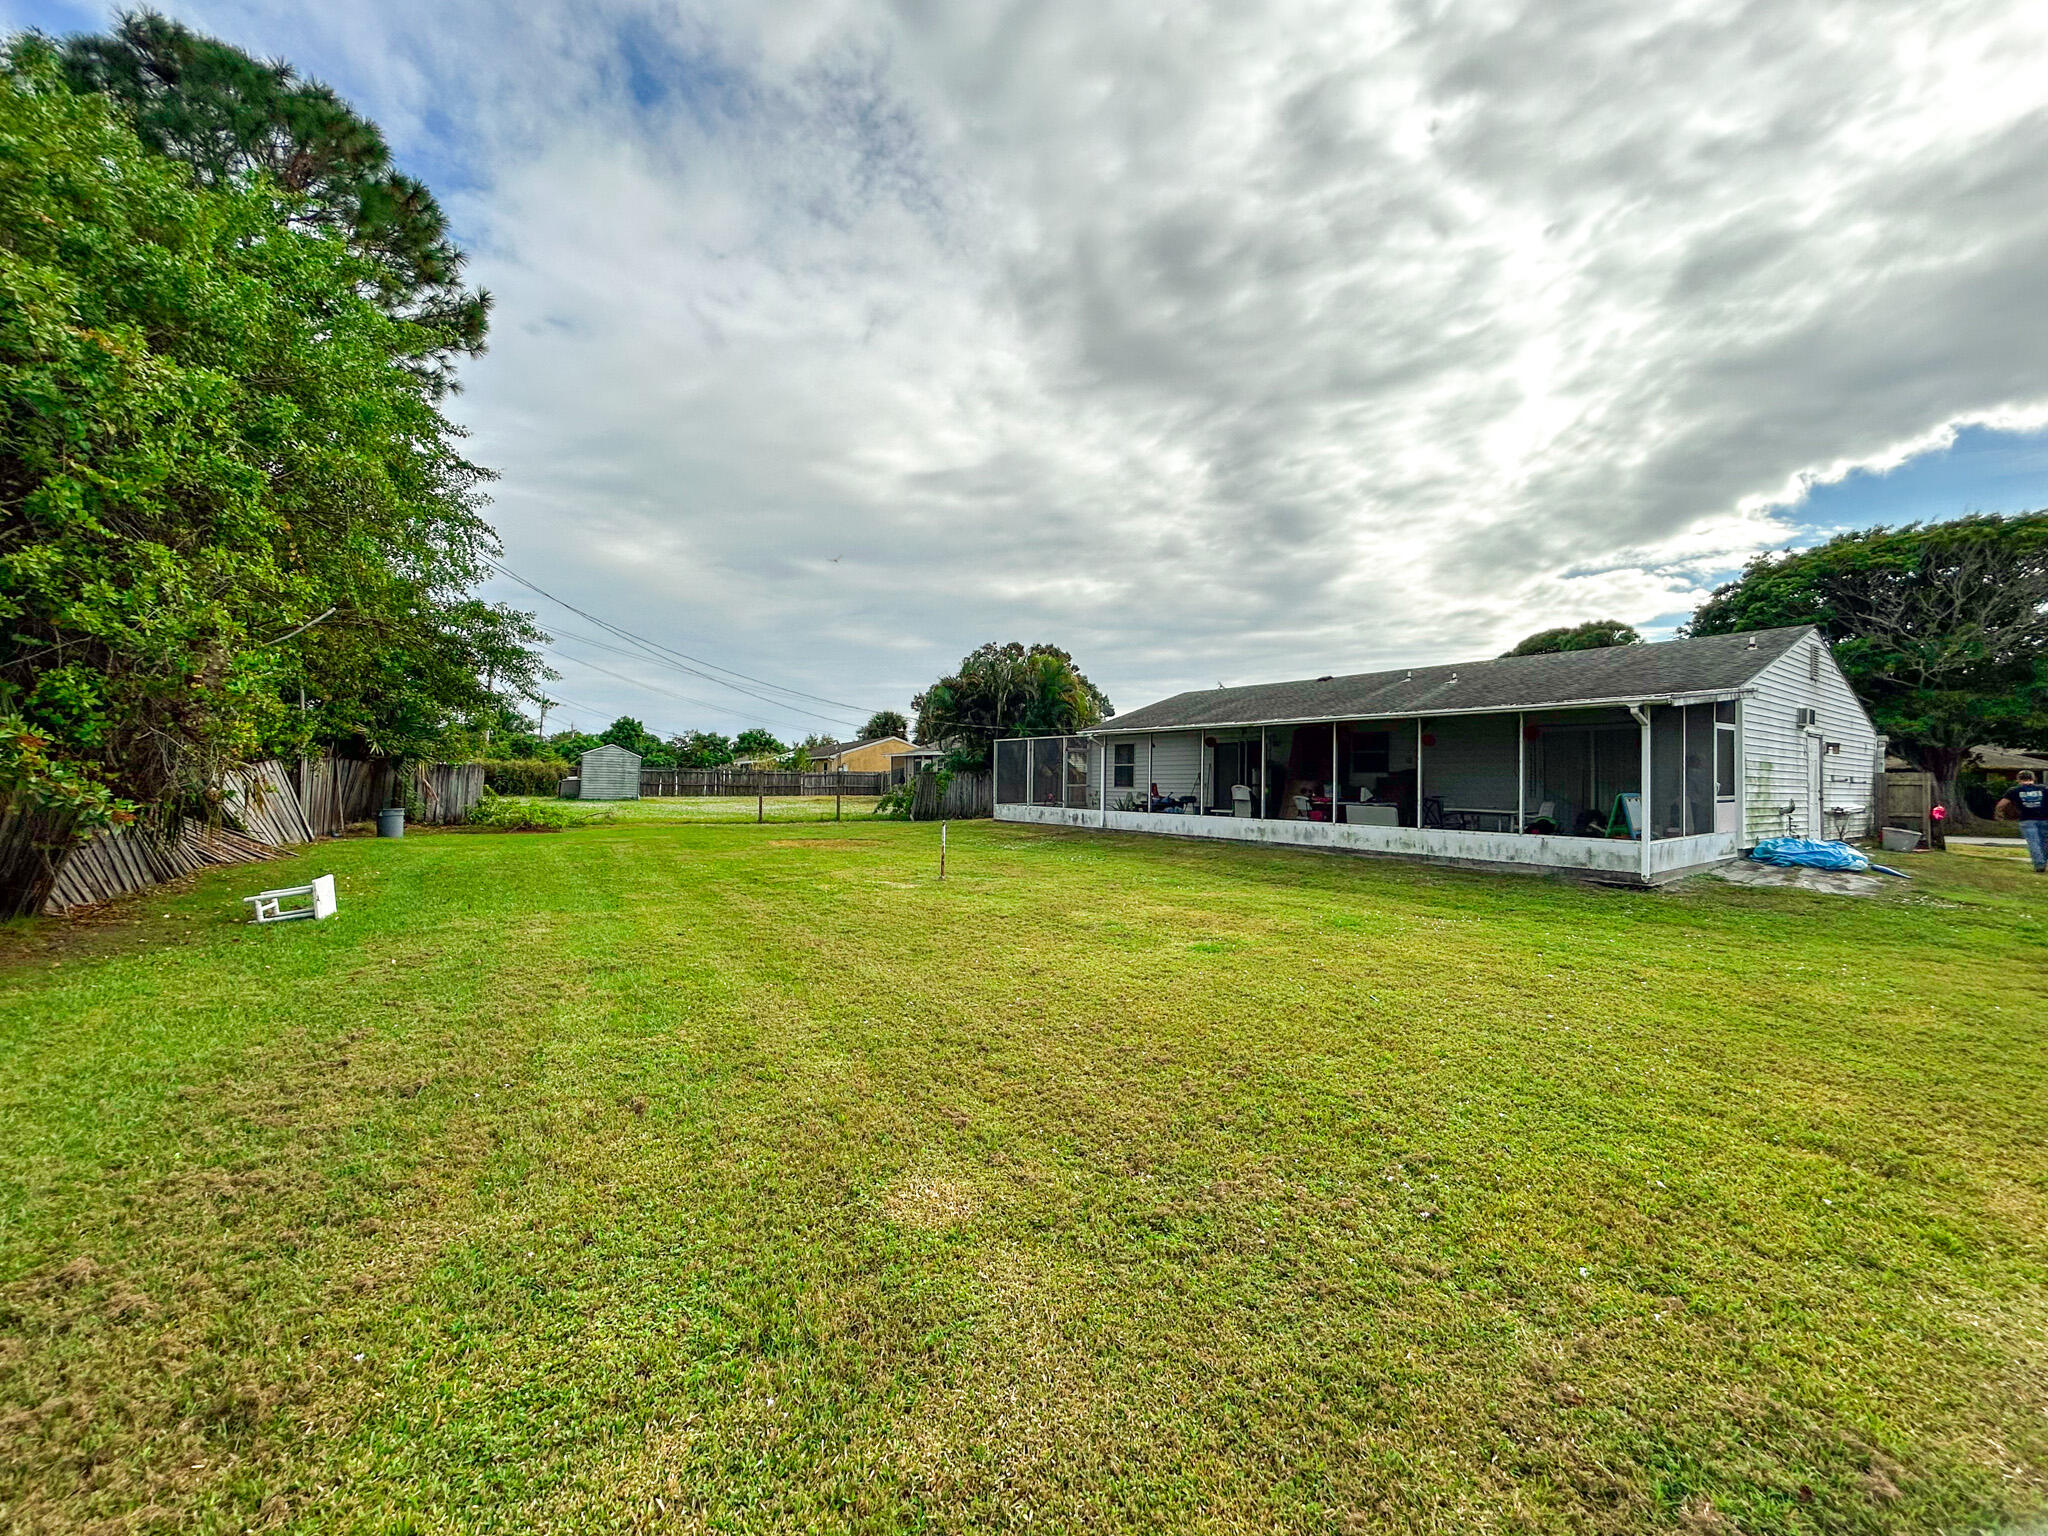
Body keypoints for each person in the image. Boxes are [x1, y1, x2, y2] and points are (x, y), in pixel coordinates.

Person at [1997, 770, 2048, 872]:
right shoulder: (2044, 788)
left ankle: (2039, 865)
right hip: (2045, 819)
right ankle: (2043, 861)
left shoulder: (2014, 791)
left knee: (2033, 842)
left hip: (2026, 820)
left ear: (2018, 779)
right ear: (2033, 779)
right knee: (2044, 842)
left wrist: (1998, 814)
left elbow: (2001, 805)